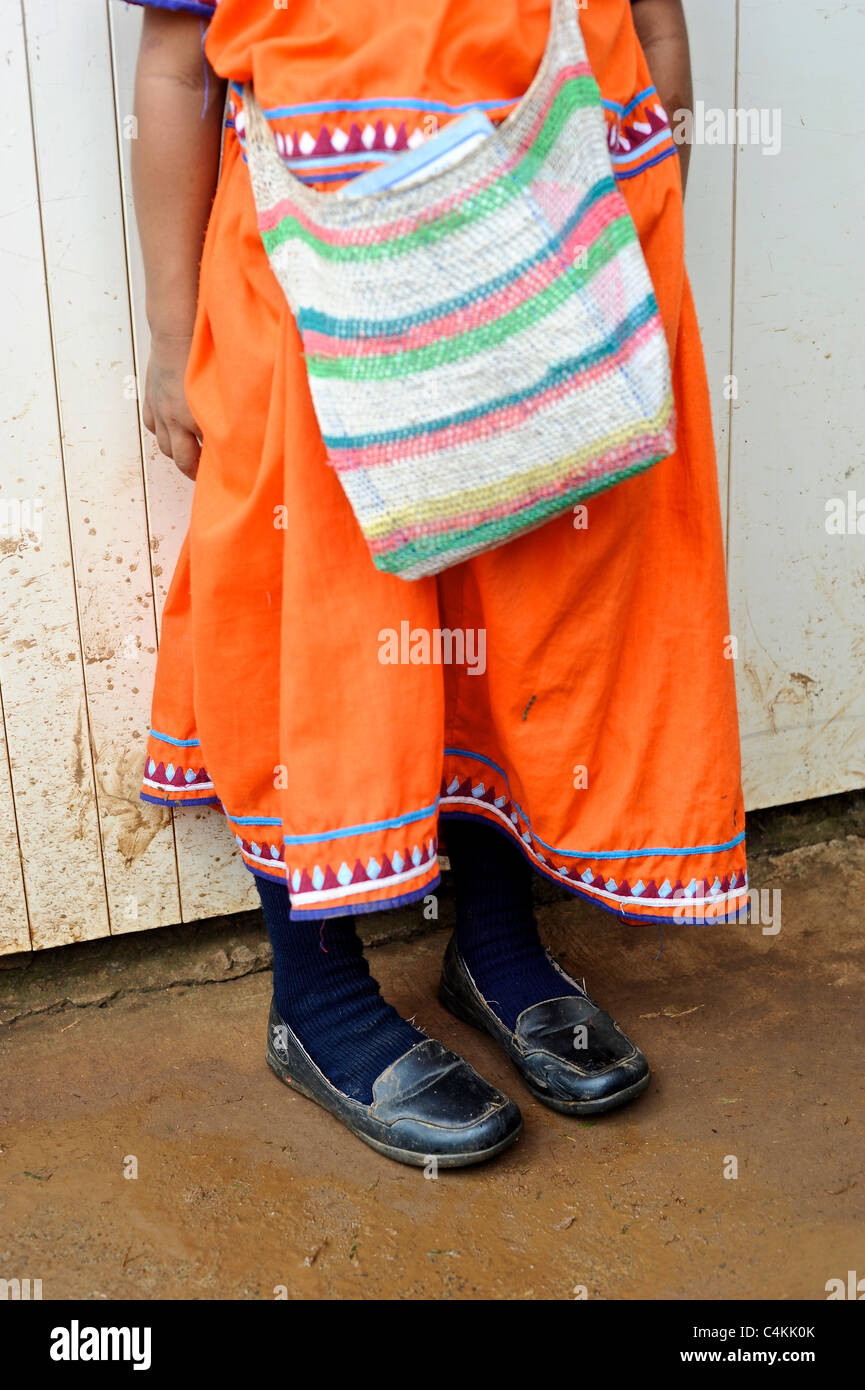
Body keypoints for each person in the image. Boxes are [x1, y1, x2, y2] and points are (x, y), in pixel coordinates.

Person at [131, 0, 747, 1167]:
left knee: (525, 607)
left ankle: (498, 943)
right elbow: (173, 69)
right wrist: (172, 335)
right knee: (325, 624)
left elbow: (655, 23)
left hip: (545, 270)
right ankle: (316, 997)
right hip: (320, 279)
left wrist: (637, 228)